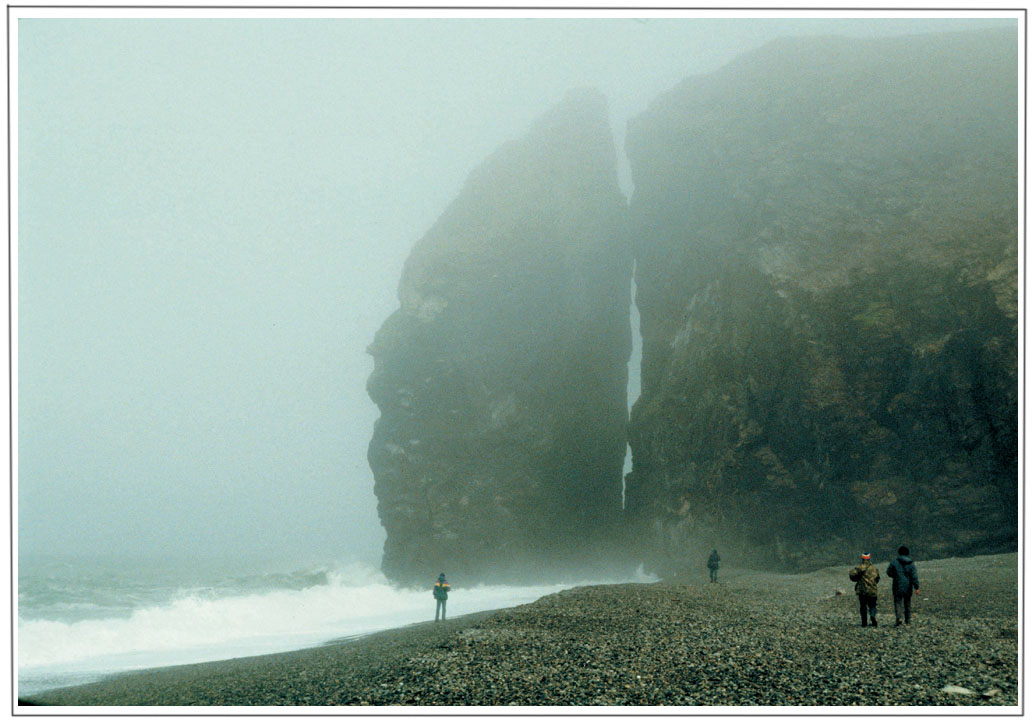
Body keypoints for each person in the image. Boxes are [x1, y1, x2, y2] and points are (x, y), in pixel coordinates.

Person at [887, 545, 920, 626]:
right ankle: (908, 620)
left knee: (898, 602)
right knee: (907, 602)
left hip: (897, 585)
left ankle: (899, 618)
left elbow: (889, 572)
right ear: (907, 553)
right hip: (908, 586)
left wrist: (895, 576)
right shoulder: (911, 563)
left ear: (899, 552)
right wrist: (916, 587)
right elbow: (914, 576)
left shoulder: (894, 562)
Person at [849, 553, 880, 627]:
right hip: (872, 590)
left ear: (862, 559)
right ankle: (872, 616)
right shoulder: (875, 569)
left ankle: (864, 622)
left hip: (862, 591)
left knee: (863, 606)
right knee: (872, 606)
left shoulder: (860, 568)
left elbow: (852, 574)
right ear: (869, 559)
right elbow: (877, 579)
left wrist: (857, 578)